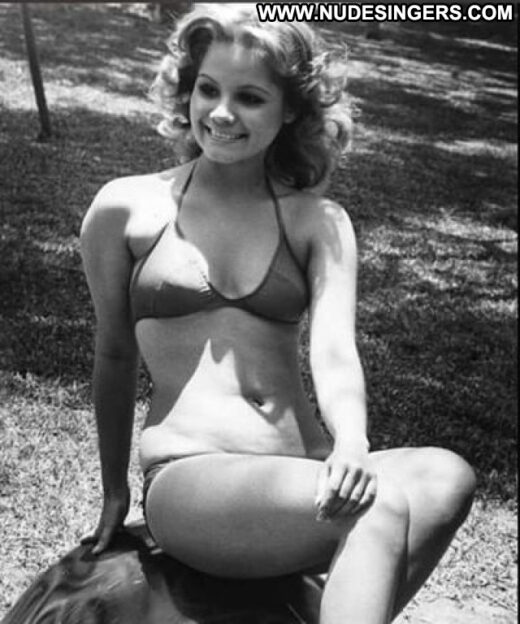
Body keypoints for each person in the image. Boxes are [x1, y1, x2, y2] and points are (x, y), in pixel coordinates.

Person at [80, 4, 476, 623]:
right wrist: (114, 490)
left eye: (250, 97)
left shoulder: (318, 221)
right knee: (376, 509)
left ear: (290, 108)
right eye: (208, 89)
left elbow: (334, 351)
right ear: (188, 89)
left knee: (446, 475)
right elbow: (113, 352)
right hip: (192, 475)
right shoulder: (127, 208)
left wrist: (351, 442)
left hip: (300, 468)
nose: (221, 113)